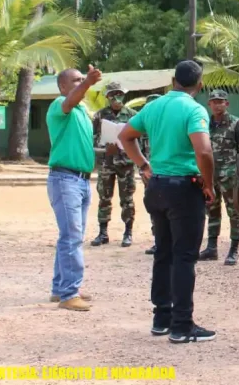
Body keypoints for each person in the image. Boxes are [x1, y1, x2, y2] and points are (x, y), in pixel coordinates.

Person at [118, 60, 217, 343]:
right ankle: (182, 325)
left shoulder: (154, 106)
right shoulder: (194, 109)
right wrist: (208, 184)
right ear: (199, 85)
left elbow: (126, 136)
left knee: (163, 253)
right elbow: (204, 151)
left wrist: (143, 165)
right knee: (185, 256)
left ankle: (161, 318)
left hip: (157, 186)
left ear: (173, 80)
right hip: (184, 188)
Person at [46, 65, 103, 311]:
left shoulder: (82, 110)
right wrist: (88, 83)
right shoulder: (60, 105)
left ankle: (60, 289)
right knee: (71, 237)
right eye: (76, 80)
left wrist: (105, 150)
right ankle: (70, 293)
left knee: (71, 237)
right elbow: (70, 100)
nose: (81, 82)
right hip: (65, 179)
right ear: (62, 86)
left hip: (81, 180)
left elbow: (80, 144)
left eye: (83, 78)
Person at [197, 90, 239, 266]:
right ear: (209, 104)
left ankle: (234, 250)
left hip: (230, 177)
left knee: (234, 212)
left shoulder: (236, 124)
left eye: (221, 101)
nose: (217, 104)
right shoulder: (204, 125)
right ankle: (211, 248)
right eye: (214, 101)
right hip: (209, 177)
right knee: (212, 210)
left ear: (227, 104)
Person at [91, 82, 137, 248]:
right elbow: (93, 137)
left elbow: (138, 138)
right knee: (104, 198)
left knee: (127, 199)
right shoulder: (99, 116)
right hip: (106, 163)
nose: (116, 97)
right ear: (107, 97)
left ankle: (128, 232)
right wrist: (104, 147)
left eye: (119, 94)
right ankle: (103, 233)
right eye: (113, 94)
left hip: (126, 163)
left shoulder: (133, 115)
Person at [141, 93, 162, 256]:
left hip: (168, 174)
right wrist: (142, 169)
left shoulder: (167, 127)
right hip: (149, 175)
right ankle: (158, 241)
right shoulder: (143, 129)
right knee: (154, 209)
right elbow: (137, 150)